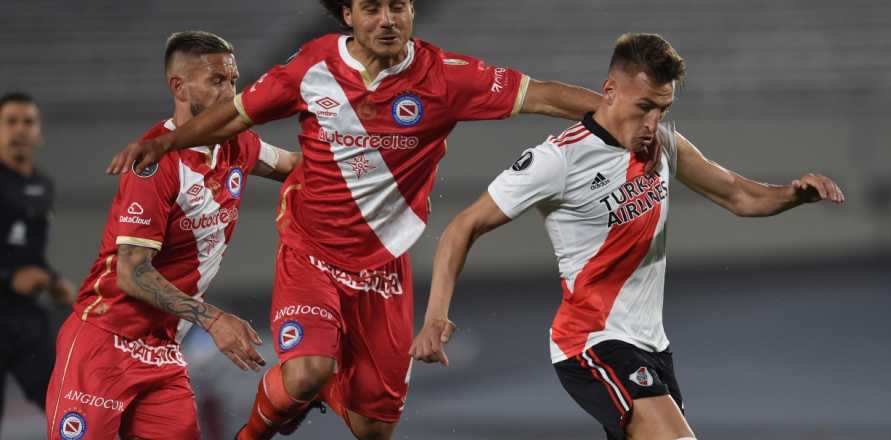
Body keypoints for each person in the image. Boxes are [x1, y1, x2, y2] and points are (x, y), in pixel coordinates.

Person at [105, 1, 605, 438]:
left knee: (374, 428)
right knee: (305, 372)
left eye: (398, 7)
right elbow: (237, 114)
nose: (387, 20)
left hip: (383, 266)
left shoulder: (447, 77)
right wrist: (166, 141)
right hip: (310, 252)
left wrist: (618, 115)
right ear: (348, 14)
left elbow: (540, 95)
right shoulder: (312, 67)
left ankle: (324, 390)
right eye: (371, 7)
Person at [410, 33, 845, 440]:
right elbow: (462, 227)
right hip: (592, 343)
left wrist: (793, 195)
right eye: (644, 107)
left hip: (653, 346)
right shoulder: (558, 160)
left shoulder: (663, 144)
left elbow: (738, 196)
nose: (653, 122)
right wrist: (434, 319)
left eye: (663, 109)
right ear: (610, 91)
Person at [45, 31, 300, 440]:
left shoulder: (238, 144)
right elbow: (131, 272)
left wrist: (380, 168)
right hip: (104, 342)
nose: (231, 92)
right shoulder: (155, 161)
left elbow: (295, 165)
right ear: (178, 86)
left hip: (163, 351)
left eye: (233, 80)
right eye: (217, 81)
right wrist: (213, 319)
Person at [0, 92, 76, 427]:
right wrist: (8, 277)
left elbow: (32, 254)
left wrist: (54, 281)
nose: (20, 129)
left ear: (39, 131)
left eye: (28, 122)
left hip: (27, 316)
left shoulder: (42, 185)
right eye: (10, 122)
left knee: (63, 401)